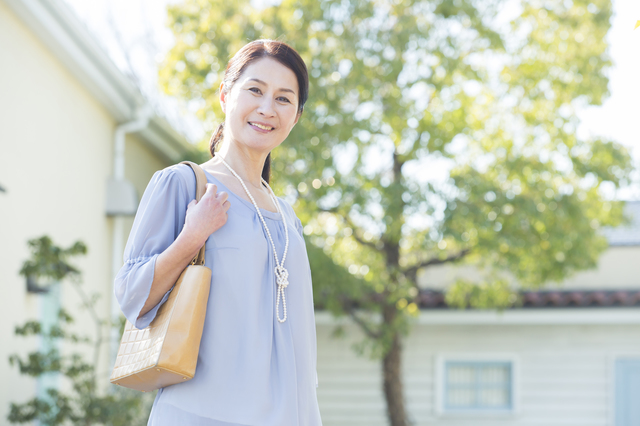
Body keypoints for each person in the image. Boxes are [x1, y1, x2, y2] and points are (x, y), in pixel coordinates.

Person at [114, 39, 322, 426]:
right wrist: (192, 236)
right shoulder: (183, 183)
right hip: (201, 414)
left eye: (283, 98)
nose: (266, 108)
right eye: (255, 90)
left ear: (295, 117)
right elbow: (131, 297)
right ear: (226, 96)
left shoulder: (288, 215)